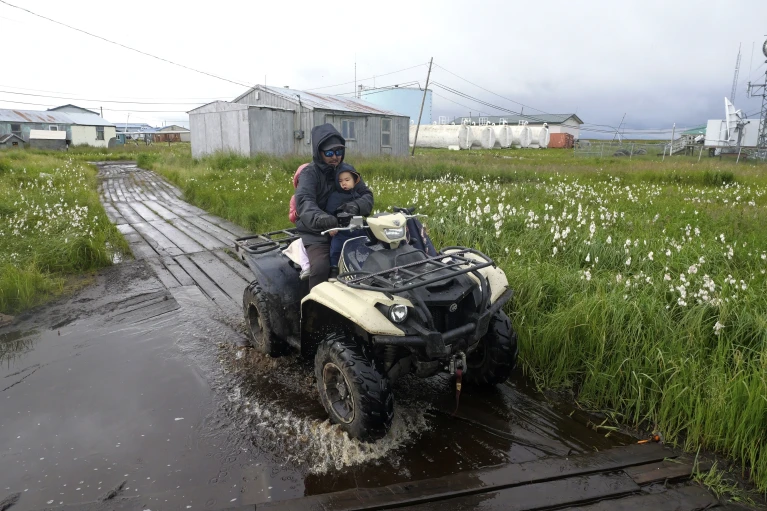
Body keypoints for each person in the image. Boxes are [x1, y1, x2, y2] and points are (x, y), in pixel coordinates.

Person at [295, 124, 373, 289]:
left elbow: (366, 195)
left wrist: (356, 206)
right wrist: (323, 219)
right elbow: (304, 202)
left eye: (339, 152)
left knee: (376, 257)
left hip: (349, 228)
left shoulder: (348, 170)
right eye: (329, 153)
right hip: (318, 231)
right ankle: (315, 309)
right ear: (318, 152)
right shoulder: (310, 173)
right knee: (321, 268)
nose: (335, 157)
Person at [325, 168, 366, 275]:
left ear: (355, 181)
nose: (344, 183)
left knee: (362, 247)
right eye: (340, 181)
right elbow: (329, 213)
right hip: (341, 230)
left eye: (347, 180)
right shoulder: (335, 197)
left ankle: (361, 269)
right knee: (336, 248)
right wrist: (331, 226)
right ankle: (334, 269)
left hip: (357, 229)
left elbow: (362, 212)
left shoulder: (358, 196)